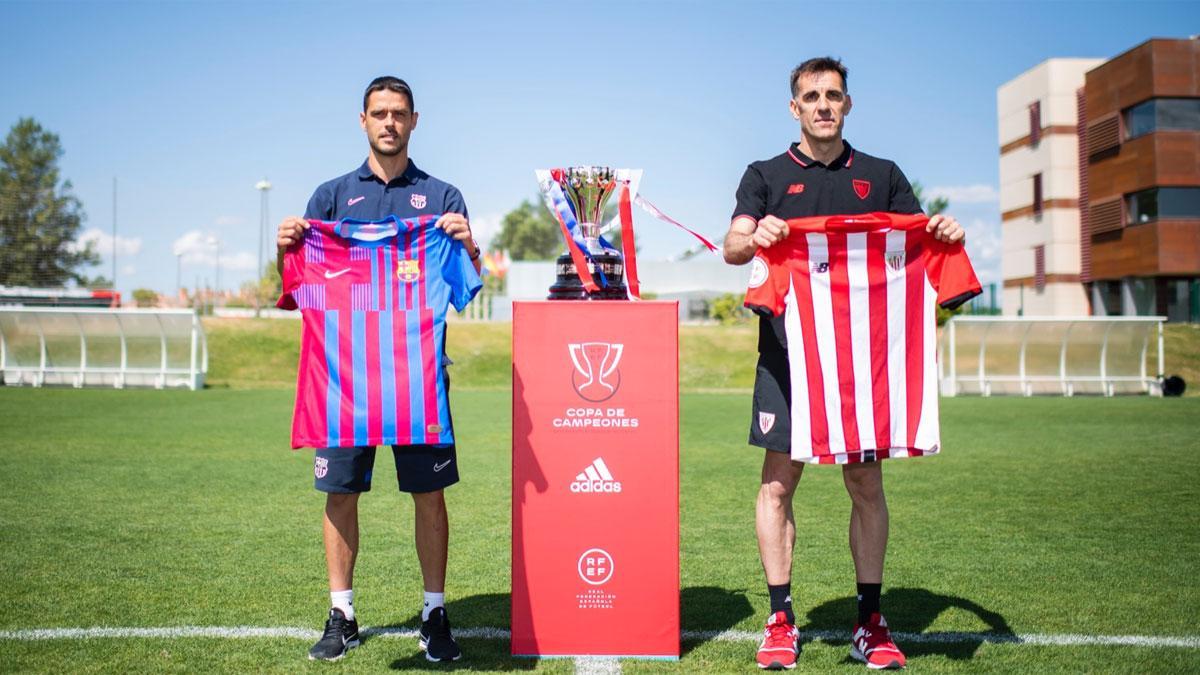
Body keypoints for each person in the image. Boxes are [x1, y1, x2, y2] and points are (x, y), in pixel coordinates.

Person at [722, 57, 965, 671]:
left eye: (833, 95)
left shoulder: (881, 175)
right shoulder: (766, 173)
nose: (823, 104)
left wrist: (943, 230)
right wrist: (759, 236)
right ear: (794, 107)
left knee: (864, 483)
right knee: (779, 482)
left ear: (847, 105)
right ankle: (781, 619)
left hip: (859, 361)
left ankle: (870, 621)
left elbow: (919, 234)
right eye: (812, 96)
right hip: (784, 355)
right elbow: (732, 246)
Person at [275, 76, 482, 663]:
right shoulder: (330, 198)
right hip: (342, 383)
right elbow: (296, 293)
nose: (389, 122)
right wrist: (287, 247)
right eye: (378, 113)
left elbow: (466, 287)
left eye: (399, 113)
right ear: (362, 121)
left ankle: (434, 612)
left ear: (415, 120)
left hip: (416, 381)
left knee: (429, 495)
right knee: (339, 496)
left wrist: (466, 244)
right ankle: (342, 612)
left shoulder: (442, 198)